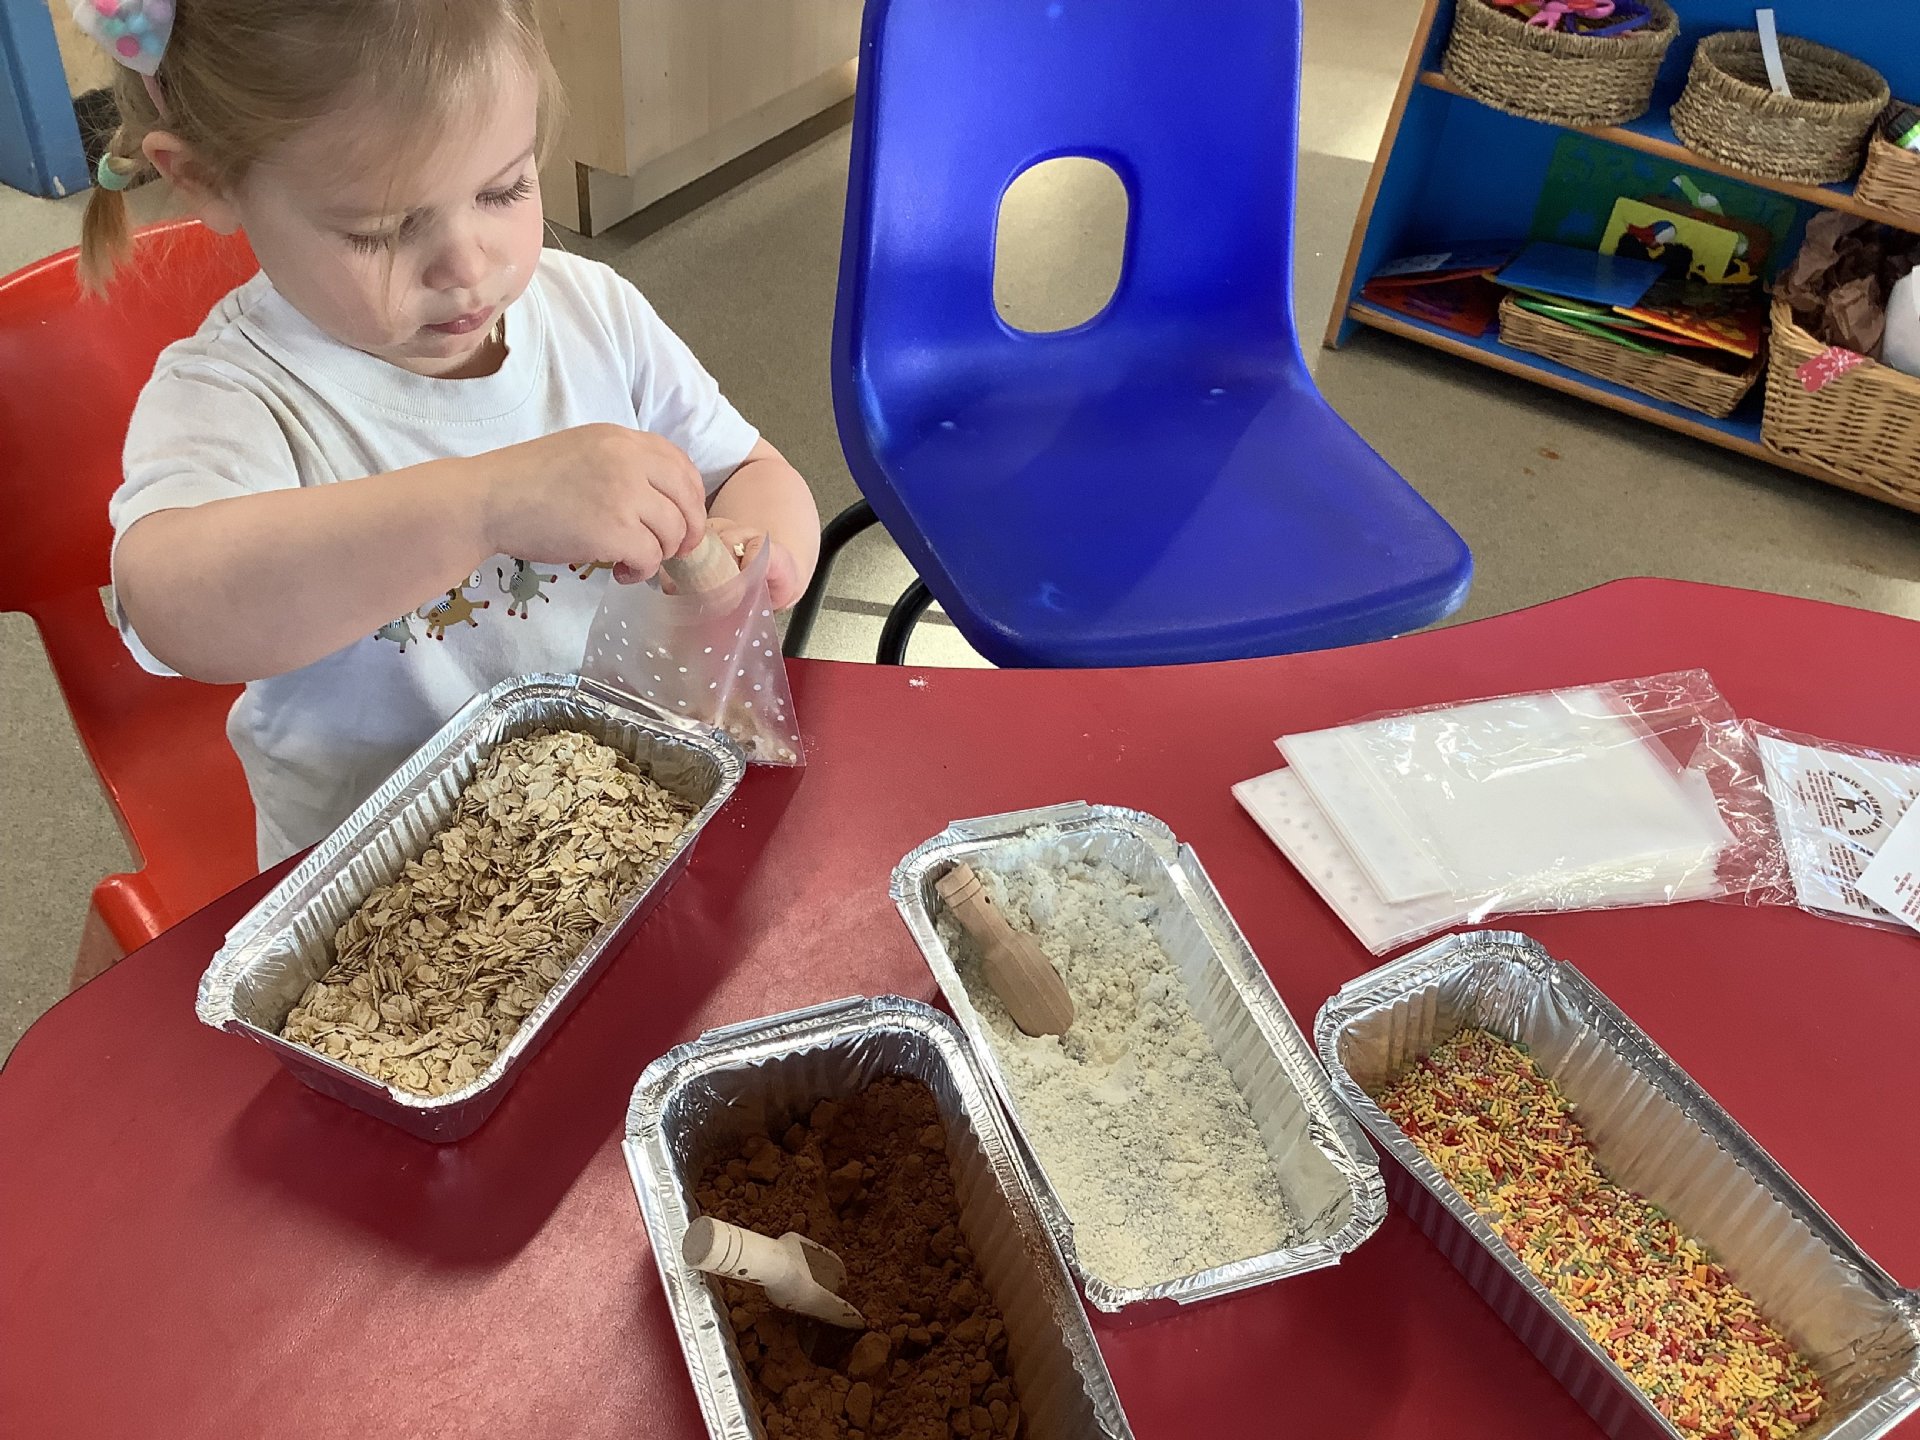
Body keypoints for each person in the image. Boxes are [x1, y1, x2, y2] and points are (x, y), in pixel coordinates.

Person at [75, 0, 821, 879]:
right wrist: (486, 506)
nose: (469, 266)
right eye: (382, 230)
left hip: (621, 824)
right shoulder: (236, 394)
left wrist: (763, 548)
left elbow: (748, 470)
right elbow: (174, 607)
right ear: (205, 180)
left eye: (503, 190)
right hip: (391, 883)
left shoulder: (595, 315)